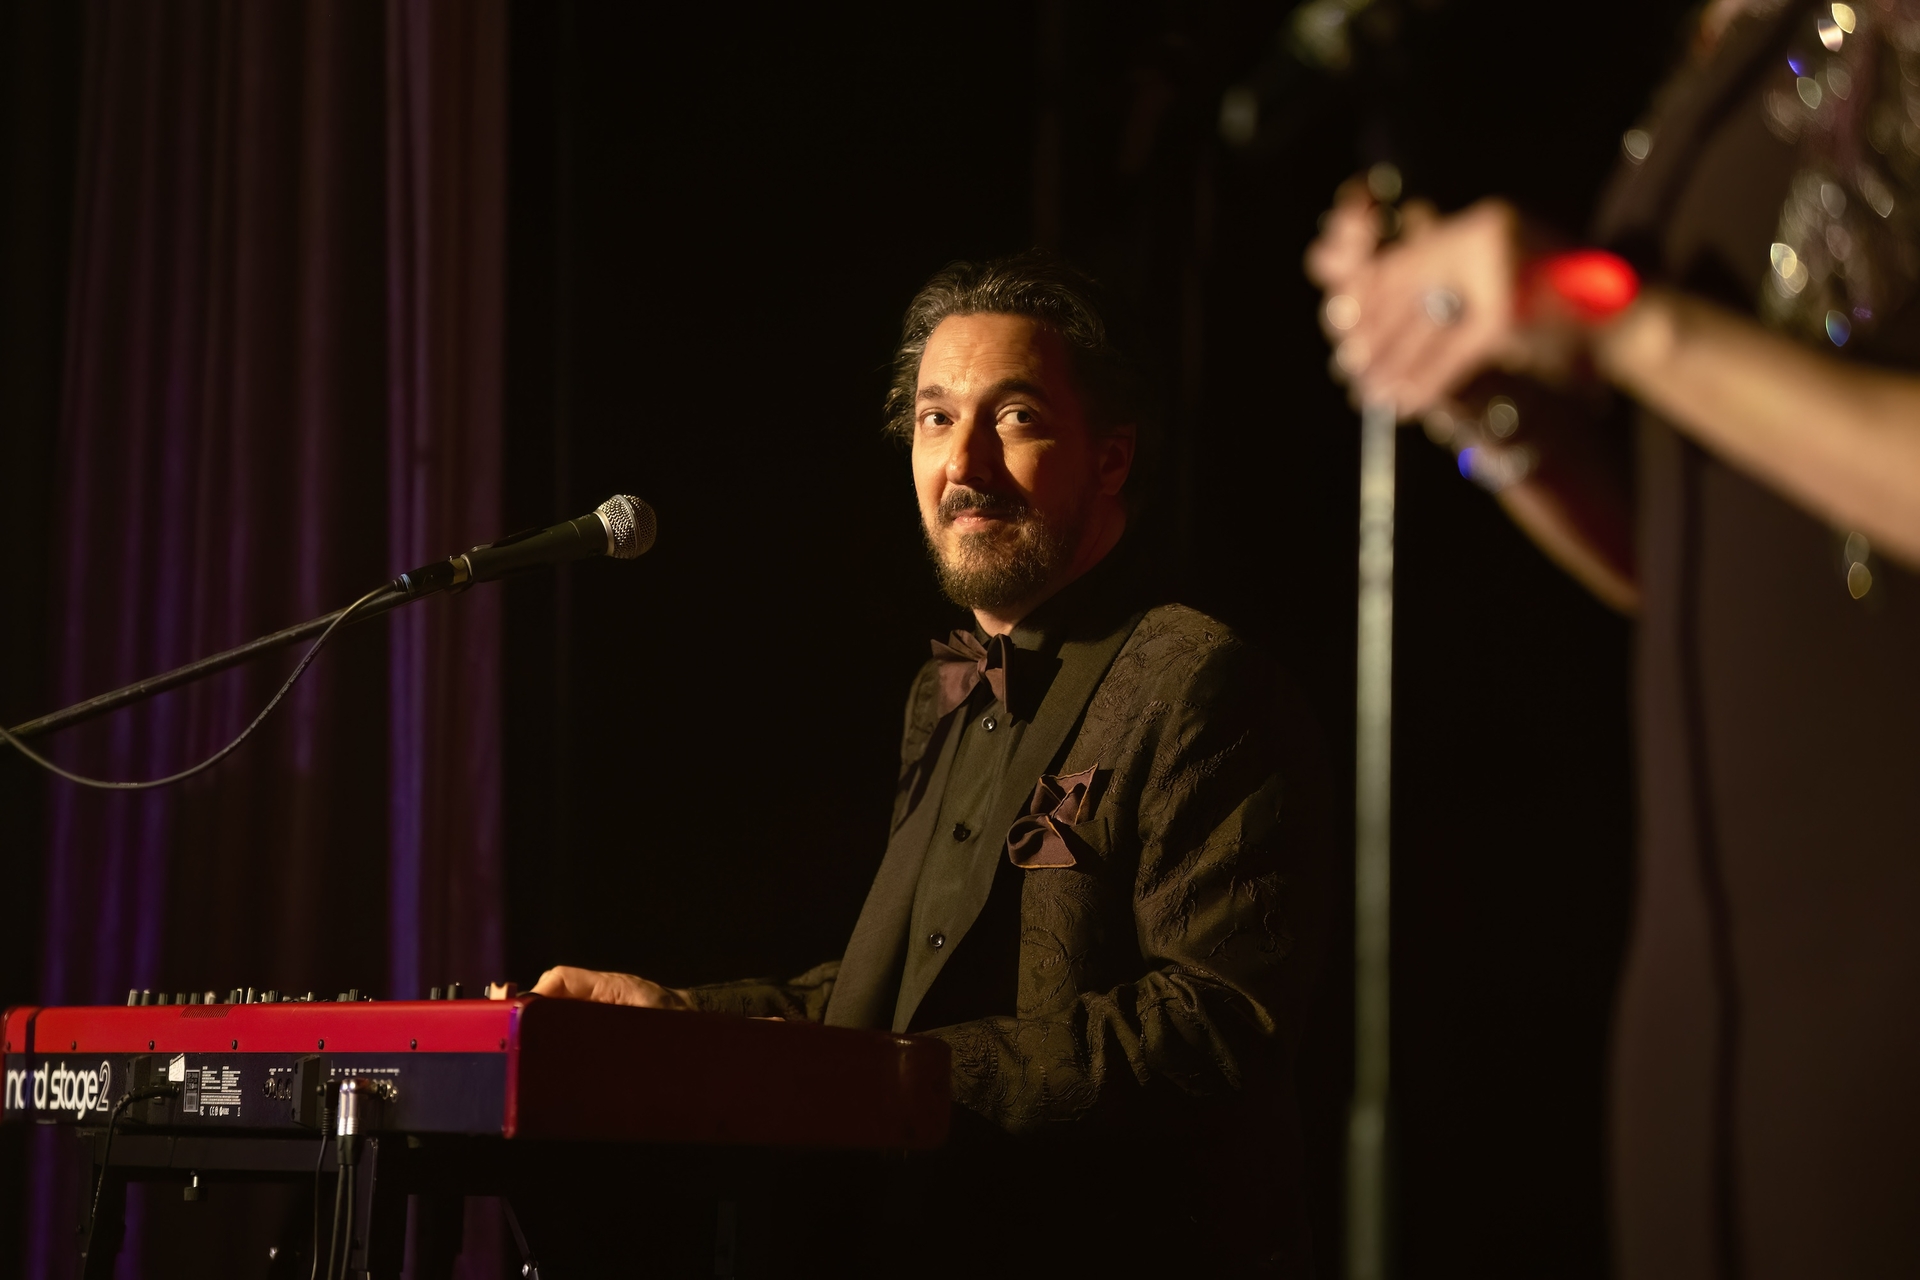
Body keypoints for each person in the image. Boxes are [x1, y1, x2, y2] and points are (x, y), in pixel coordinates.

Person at [534, 253, 1332, 1275]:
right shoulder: (943, 696)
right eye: (936, 417)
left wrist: (900, 1081)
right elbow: (890, 997)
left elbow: (1218, 1023)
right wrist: (683, 1019)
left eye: (1017, 416)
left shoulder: (1197, 679)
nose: (965, 464)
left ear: (1112, 460)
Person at [1308, 0, 1920, 1274]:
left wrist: (1616, 320)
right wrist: (1489, 404)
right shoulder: (1721, 48)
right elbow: (1696, 569)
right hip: (1706, 990)